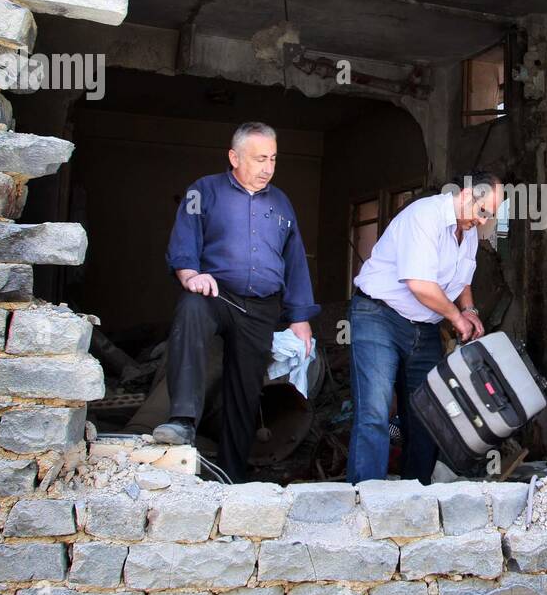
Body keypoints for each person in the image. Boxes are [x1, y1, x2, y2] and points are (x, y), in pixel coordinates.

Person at [154, 122, 318, 483]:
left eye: (273, 159)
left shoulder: (281, 201)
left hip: (261, 308)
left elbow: (295, 261)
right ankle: (182, 421)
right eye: (260, 159)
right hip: (216, 294)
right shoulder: (204, 190)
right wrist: (190, 275)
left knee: (245, 388)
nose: (268, 167)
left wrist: (300, 316)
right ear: (234, 157)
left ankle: (232, 474)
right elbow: (184, 240)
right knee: (191, 308)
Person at [346, 171, 503, 484]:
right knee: (375, 413)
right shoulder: (424, 216)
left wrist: (469, 310)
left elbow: (463, 278)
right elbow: (419, 284)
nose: (484, 221)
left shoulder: (468, 231)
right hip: (379, 316)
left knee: (426, 413)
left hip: (423, 327)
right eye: (483, 211)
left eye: (491, 215)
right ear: (467, 193)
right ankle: (365, 501)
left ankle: (414, 494)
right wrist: (456, 319)